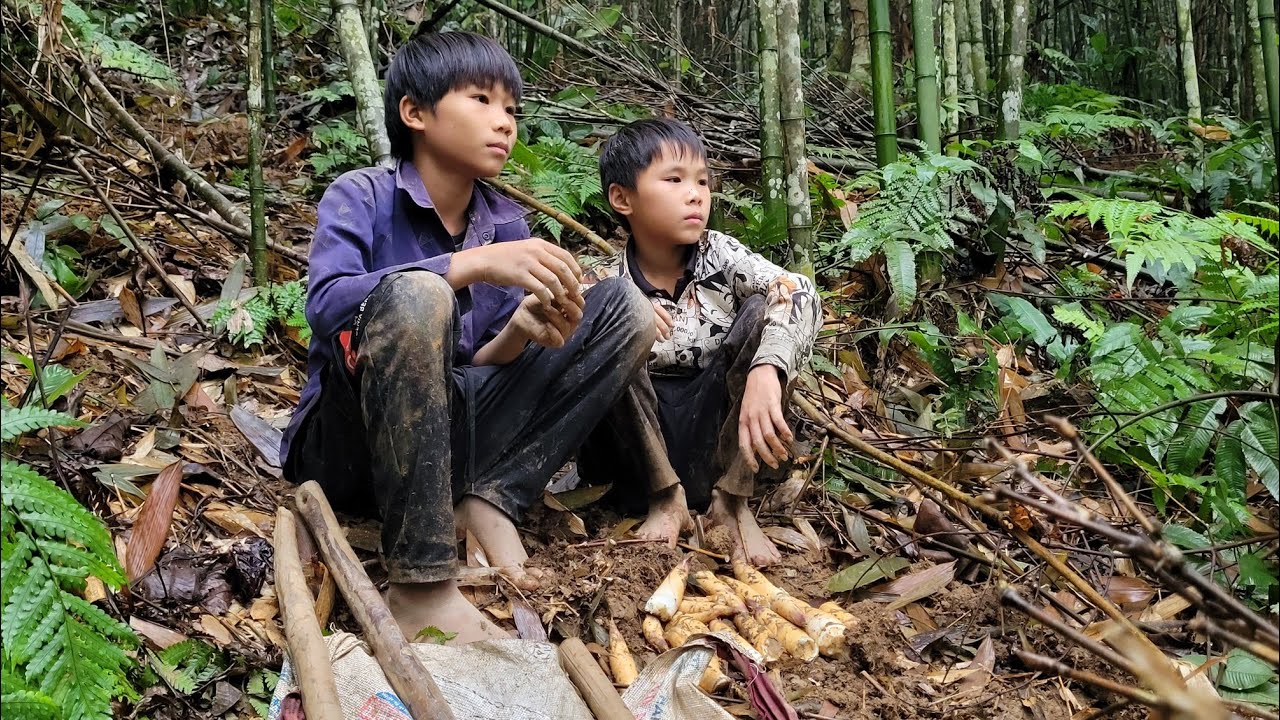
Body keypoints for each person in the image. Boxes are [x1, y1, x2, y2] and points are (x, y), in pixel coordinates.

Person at [280, 31, 656, 643]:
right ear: (416, 113)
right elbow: (326, 305)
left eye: (511, 108)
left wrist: (519, 331)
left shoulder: (505, 221)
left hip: (448, 438)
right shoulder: (363, 197)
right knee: (417, 293)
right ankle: (422, 587)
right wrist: (469, 266)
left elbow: (475, 364)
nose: (503, 122)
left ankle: (492, 492)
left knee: (626, 312)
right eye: (481, 100)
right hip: (349, 447)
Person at [580, 118, 821, 567]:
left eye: (703, 182)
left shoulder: (722, 256)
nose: (696, 194)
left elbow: (800, 291)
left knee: (764, 311)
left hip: (717, 446)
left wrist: (768, 368)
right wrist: (613, 313)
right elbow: (553, 354)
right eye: (674, 180)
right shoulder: (601, 278)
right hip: (630, 458)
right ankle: (665, 500)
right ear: (622, 198)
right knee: (603, 317)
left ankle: (732, 503)